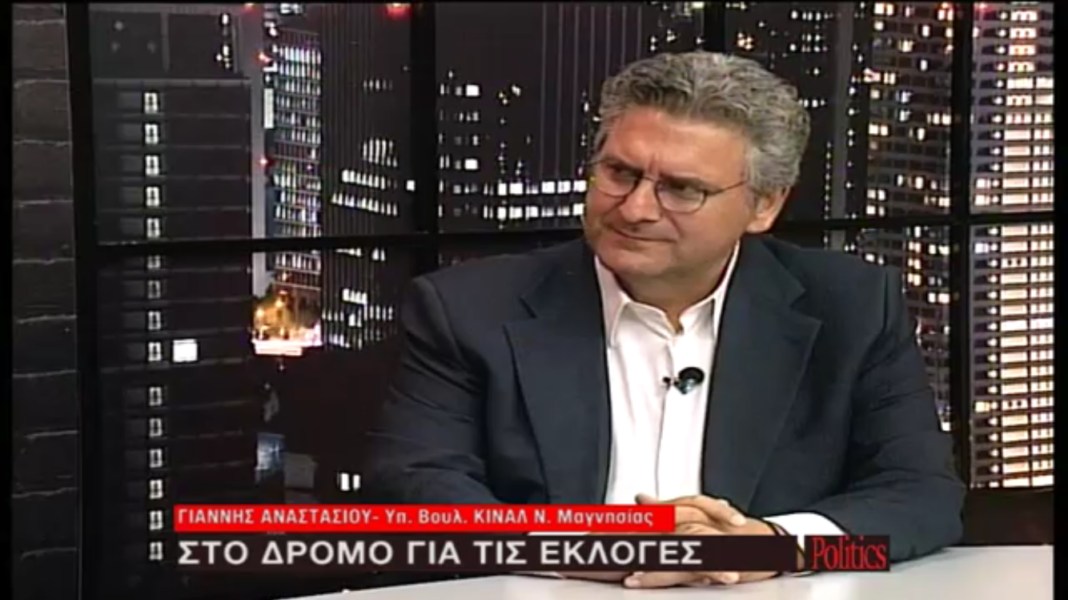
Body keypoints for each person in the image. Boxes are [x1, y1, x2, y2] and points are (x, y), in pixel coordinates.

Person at [362, 51, 965, 588]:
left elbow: (920, 495)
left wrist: (770, 546)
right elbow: (416, 490)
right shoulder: (469, 308)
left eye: (681, 189)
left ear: (763, 205)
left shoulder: (852, 307)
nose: (635, 209)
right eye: (620, 173)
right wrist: (587, 548)